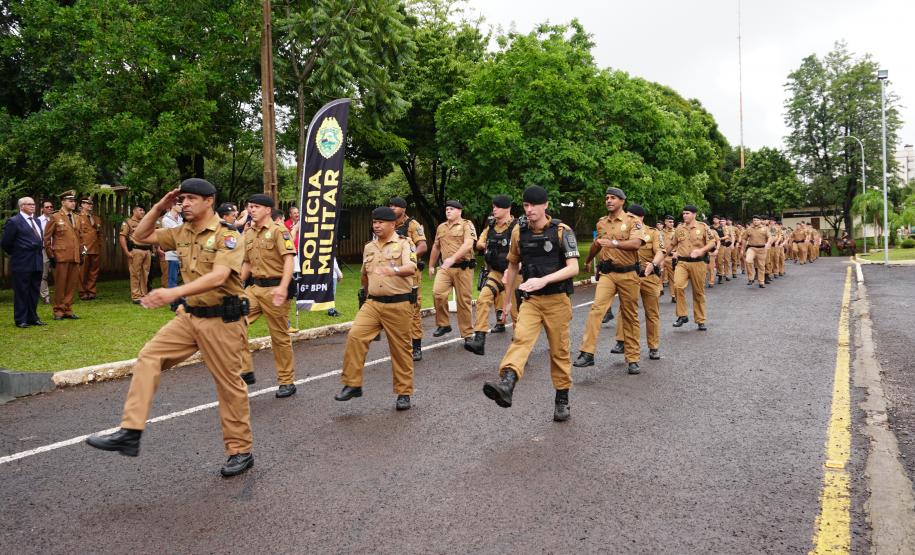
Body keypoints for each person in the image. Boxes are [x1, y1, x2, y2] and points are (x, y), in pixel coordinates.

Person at [86, 178, 255, 477]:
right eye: (182, 199)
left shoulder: (228, 236)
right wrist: (158, 207)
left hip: (222, 320)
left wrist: (173, 292)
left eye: (191, 198)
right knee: (149, 356)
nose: (185, 203)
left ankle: (240, 451)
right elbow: (140, 234)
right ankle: (130, 432)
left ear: (209, 201)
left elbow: (218, 277)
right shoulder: (181, 232)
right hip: (190, 318)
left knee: (229, 386)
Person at [482, 186, 580, 421]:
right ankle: (507, 383)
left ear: (545, 205)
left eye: (534, 205)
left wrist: (542, 280)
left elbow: (574, 268)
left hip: (557, 300)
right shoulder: (519, 231)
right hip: (531, 301)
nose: (529, 210)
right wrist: (506, 303)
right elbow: (513, 265)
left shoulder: (561, 231)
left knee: (559, 352)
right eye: (526, 206)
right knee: (521, 339)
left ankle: (562, 398)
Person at [334, 206, 418, 411]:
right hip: (372, 303)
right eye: (374, 222)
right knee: (355, 335)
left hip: (399, 303)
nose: (376, 225)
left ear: (392, 224)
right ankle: (352, 384)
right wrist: (364, 293)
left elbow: (411, 268)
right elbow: (365, 274)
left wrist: (393, 270)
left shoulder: (405, 244)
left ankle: (404, 392)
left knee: (400, 350)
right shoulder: (369, 247)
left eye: (380, 222)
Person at [572, 187, 648, 374]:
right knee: (597, 309)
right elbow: (597, 244)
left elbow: (636, 244)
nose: (609, 201)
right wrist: (588, 260)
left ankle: (633, 358)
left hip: (628, 274)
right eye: (606, 198)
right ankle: (587, 353)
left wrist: (614, 243)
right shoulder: (601, 223)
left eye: (613, 198)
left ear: (622, 201)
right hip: (607, 274)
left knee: (630, 316)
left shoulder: (633, 222)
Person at [238, 194, 297, 397]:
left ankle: (286, 381)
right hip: (254, 288)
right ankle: (245, 370)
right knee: (232, 322)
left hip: (275, 289)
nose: (251, 209)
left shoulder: (279, 231)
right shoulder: (249, 233)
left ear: (267, 210)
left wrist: (283, 286)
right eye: (249, 206)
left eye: (255, 206)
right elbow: (247, 262)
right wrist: (236, 285)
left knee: (279, 337)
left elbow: (289, 259)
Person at [465, 194, 519, 356]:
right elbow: (480, 243)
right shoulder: (491, 226)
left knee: (516, 313)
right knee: (483, 299)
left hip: (515, 273)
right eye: (493, 206)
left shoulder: (517, 227)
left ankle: (519, 348)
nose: (494, 209)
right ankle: (480, 340)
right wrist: (485, 244)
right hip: (496, 272)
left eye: (497, 206)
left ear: (507, 209)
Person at [612, 204, 665, 360]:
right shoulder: (624, 231)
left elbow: (661, 251)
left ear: (640, 217)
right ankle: (621, 341)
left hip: (649, 277)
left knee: (652, 313)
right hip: (629, 276)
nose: (627, 218)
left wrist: (653, 265)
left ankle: (653, 346)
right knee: (625, 309)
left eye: (631, 216)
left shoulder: (653, 233)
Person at [428, 200, 476, 342]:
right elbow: (436, 247)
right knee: (438, 293)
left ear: (459, 211)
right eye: (447, 209)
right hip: (445, 268)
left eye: (452, 209)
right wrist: (431, 265)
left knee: (463, 301)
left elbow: (468, 244)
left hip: (463, 268)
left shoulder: (467, 225)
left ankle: (467, 333)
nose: (448, 211)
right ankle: (444, 324)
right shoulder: (441, 227)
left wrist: (453, 258)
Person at [389, 196, 428, 360]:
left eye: (394, 206)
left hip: (411, 275)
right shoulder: (388, 224)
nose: (391, 208)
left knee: (413, 309)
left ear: (403, 209)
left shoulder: (413, 225)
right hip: (393, 273)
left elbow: (423, 246)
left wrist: (409, 257)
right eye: (389, 205)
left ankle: (416, 347)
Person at [667, 204, 715, 330]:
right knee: (677, 286)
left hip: (698, 263)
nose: (684, 215)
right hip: (682, 262)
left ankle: (700, 319)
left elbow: (712, 242)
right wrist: (660, 257)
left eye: (687, 213)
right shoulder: (679, 228)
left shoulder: (703, 227)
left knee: (698, 292)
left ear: (694, 214)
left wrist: (701, 250)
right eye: (683, 213)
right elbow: (672, 244)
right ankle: (682, 315)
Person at [2, 197, 46, 328]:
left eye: (34, 204)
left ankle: (32, 317)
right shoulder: (14, 221)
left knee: (34, 291)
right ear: (21, 206)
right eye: (29, 204)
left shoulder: (37, 221)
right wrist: (18, 253)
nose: (33, 206)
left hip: (37, 261)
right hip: (22, 262)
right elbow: (6, 243)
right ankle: (21, 319)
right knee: (21, 291)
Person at [44, 190, 82, 320]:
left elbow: (79, 237)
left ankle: (68, 309)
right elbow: (47, 238)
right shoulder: (55, 217)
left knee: (72, 284)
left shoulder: (77, 217)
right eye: (70, 201)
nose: (73, 203)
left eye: (74, 201)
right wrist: (51, 255)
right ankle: (58, 310)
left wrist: (81, 253)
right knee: (60, 284)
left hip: (75, 255)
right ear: (63, 202)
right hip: (60, 256)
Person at [120, 205, 152, 303]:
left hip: (147, 251)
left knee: (145, 273)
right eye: (140, 210)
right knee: (135, 274)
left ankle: (144, 294)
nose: (143, 212)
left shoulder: (145, 222)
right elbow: (122, 237)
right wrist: (126, 252)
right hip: (136, 250)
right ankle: (136, 296)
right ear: (134, 211)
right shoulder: (128, 222)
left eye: (143, 210)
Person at [77, 198, 103, 300]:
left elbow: (99, 233)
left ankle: (91, 291)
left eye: (91, 204)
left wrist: (100, 245)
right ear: (82, 205)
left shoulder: (96, 218)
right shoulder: (78, 218)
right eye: (87, 204)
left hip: (95, 248)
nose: (90, 205)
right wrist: (80, 248)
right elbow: (77, 234)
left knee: (94, 271)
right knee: (83, 272)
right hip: (84, 248)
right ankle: (83, 292)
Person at [742, 215, 773, 288]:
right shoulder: (749, 229)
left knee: (761, 266)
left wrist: (768, 243)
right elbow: (744, 239)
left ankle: (761, 282)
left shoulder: (765, 229)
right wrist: (742, 249)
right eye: (754, 220)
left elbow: (770, 237)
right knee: (748, 261)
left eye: (757, 220)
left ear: (760, 221)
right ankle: (751, 278)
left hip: (762, 249)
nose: (755, 221)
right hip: (751, 248)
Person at [160, 198, 183, 288]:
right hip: (172, 253)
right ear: (173, 206)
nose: (182, 206)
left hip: (182, 252)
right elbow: (173, 234)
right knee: (172, 278)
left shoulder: (181, 218)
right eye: (180, 204)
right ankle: (172, 299)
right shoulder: (166, 219)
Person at [37, 199, 54, 304]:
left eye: (51, 207)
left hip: (57, 249)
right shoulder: (38, 221)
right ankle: (45, 296)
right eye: (47, 207)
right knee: (44, 274)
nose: (49, 208)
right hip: (44, 250)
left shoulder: (56, 219)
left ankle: (60, 296)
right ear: (42, 209)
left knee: (60, 273)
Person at [662, 215, 677, 302]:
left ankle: (673, 295)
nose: (671, 223)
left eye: (672, 222)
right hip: (661, 257)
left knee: (672, 278)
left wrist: (676, 253)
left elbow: (679, 245)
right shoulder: (660, 232)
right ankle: (658, 291)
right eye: (669, 222)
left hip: (671, 257)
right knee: (658, 275)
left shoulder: (676, 232)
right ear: (665, 222)